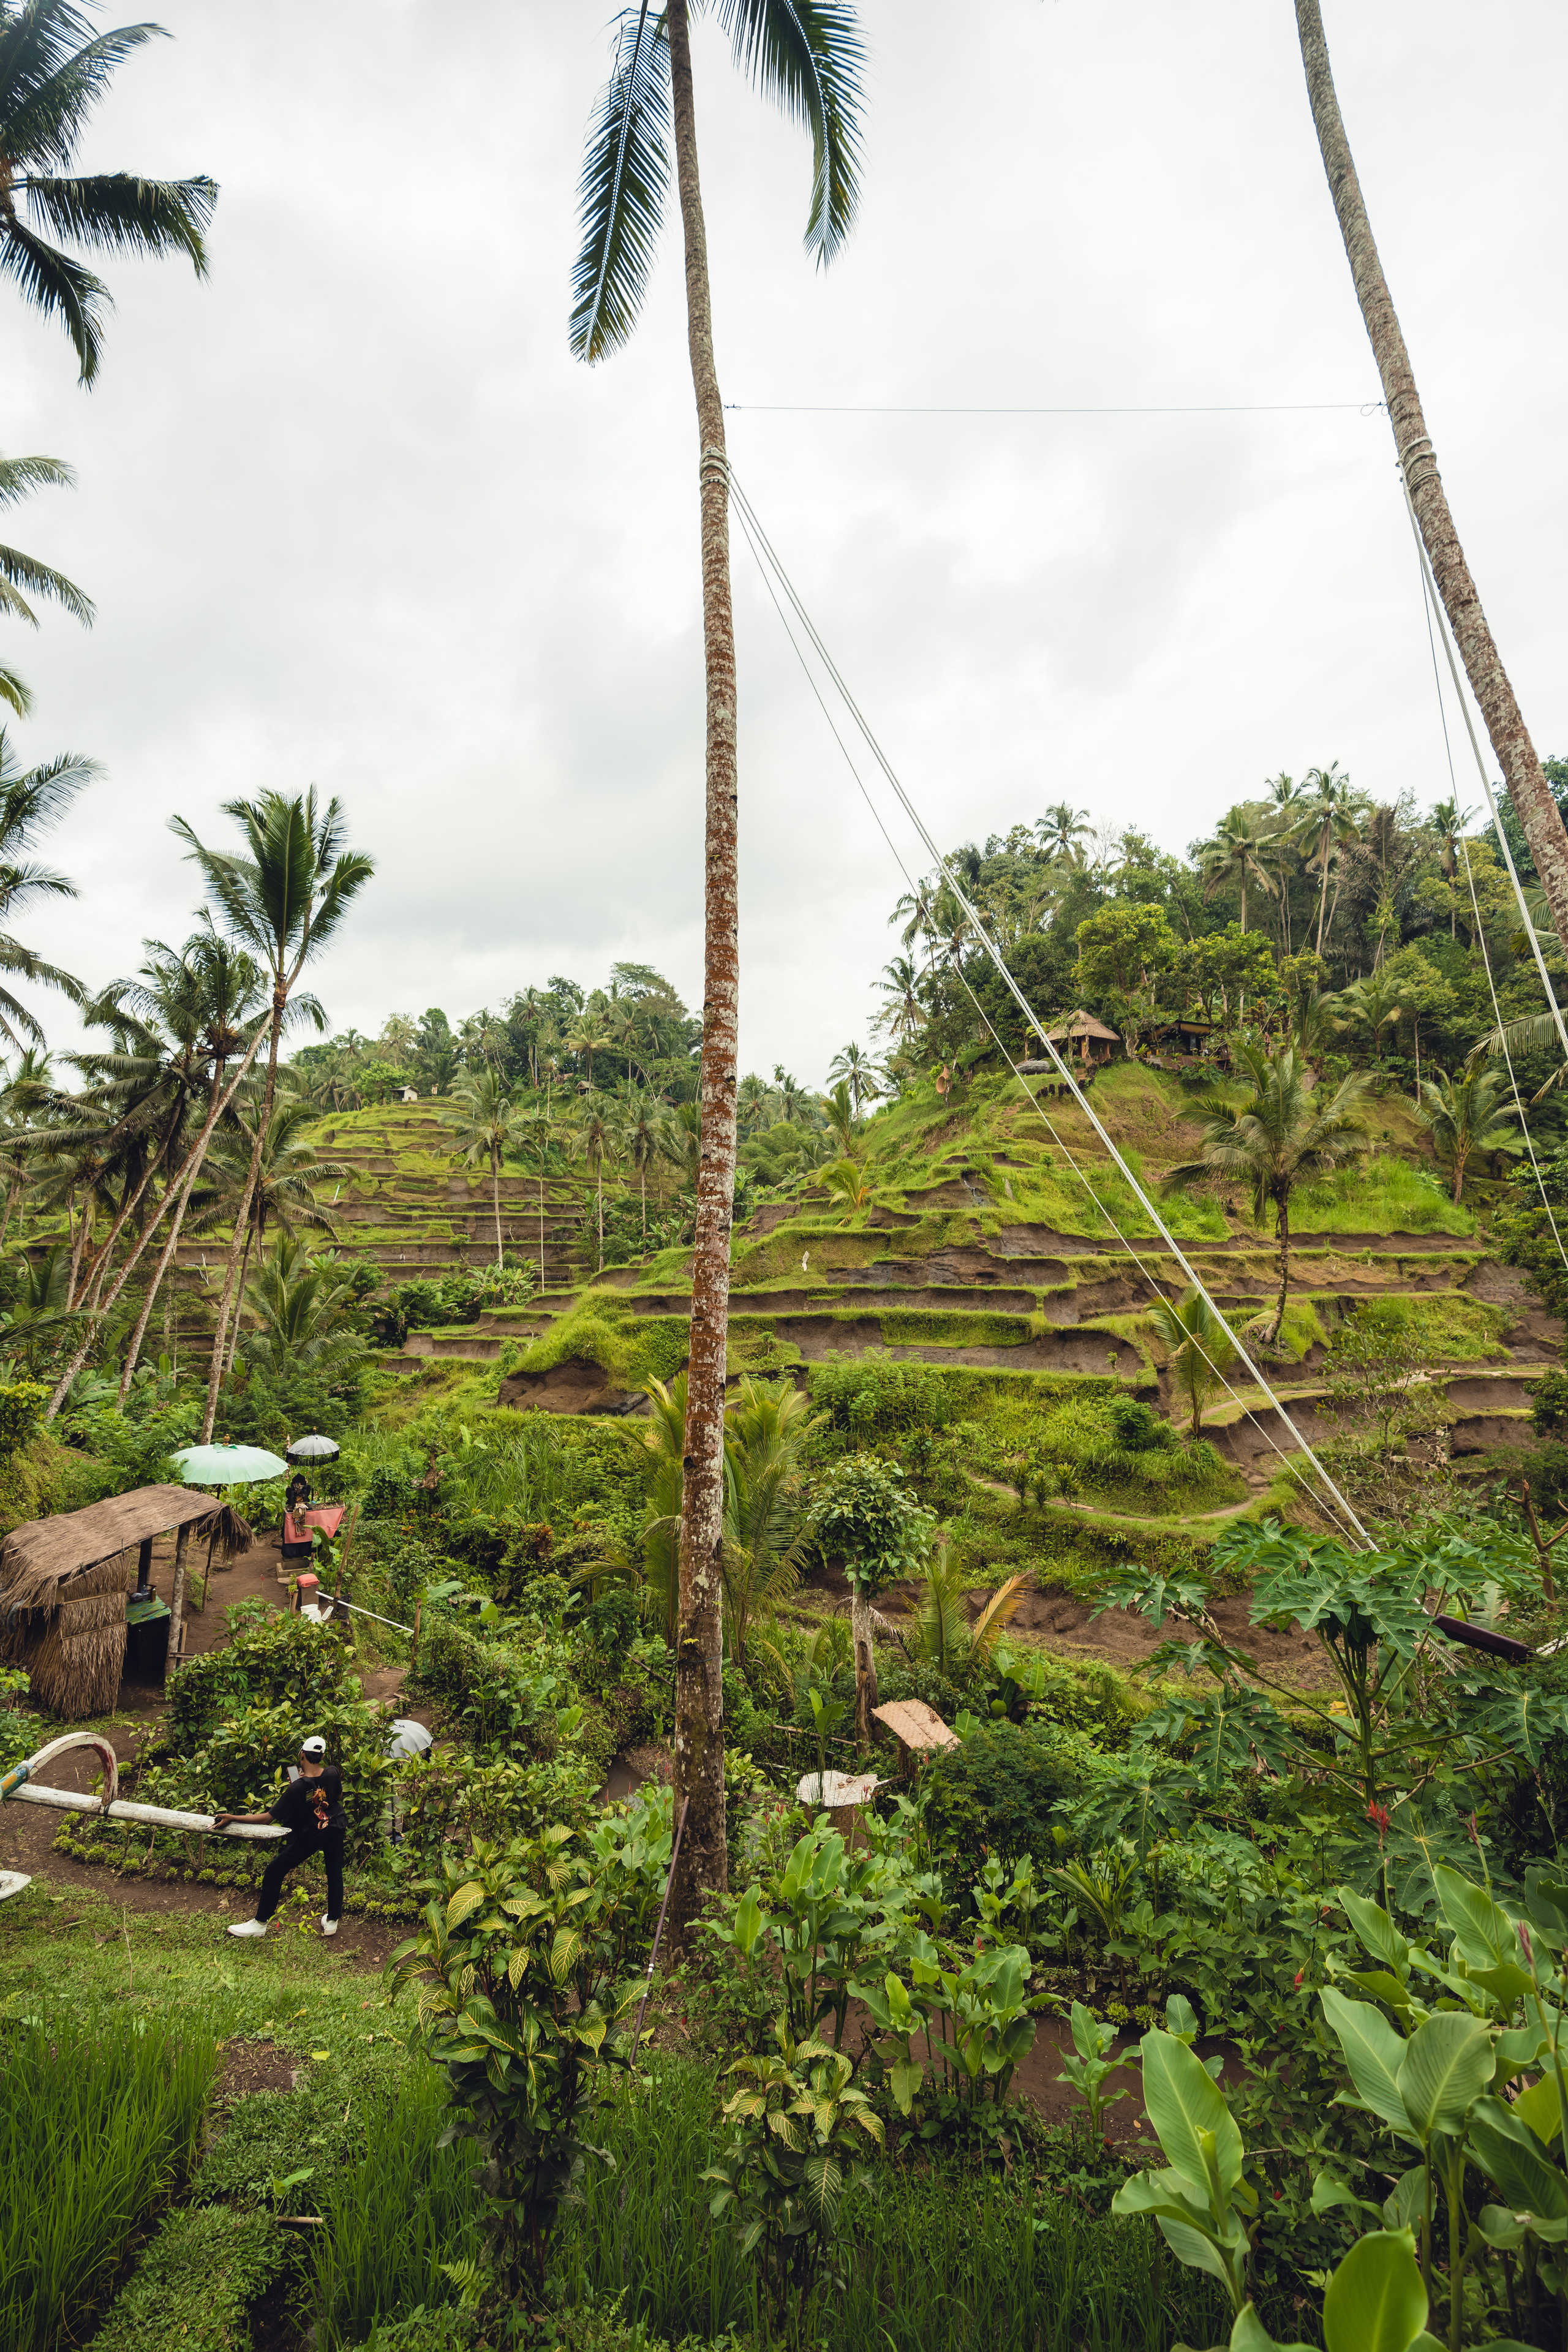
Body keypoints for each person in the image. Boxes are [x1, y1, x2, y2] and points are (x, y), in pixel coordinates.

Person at [216, 1734, 345, 1939]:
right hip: (336, 1826)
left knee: (274, 1871)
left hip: (313, 1833)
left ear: (302, 1754)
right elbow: (336, 1797)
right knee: (334, 1872)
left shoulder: (297, 1787)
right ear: (321, 1757)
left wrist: (232, 1817)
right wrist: (306, 1786)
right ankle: (332, 1921)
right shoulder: (332, 1772)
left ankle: (260, 1924)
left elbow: (268, 1818)